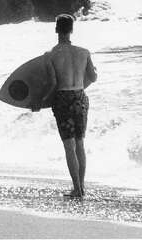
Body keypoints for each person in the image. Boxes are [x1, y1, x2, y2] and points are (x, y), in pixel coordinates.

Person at [33, 14, 98, 199]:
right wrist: (81, 84)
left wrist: (40, 100)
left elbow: (53, 83)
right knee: (80, 144)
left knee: (69, 146)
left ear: (56, 29)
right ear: (72, 30)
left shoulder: (50, 55)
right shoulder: (84, 52)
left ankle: (76, 189)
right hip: (80, 98)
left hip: (62, 99)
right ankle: (82, 187)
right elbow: (92, 78)